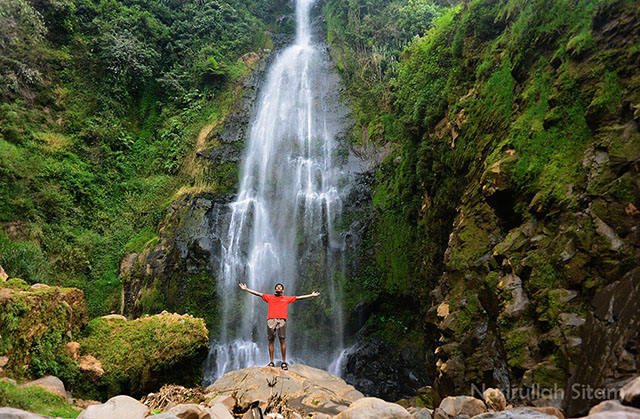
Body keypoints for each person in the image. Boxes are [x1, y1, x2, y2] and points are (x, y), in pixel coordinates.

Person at [238, 282, 319, 370]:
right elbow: (258, 293)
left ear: (283, 290)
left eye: (280, 287)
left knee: (282, 340)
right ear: (275, 290)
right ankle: (271, 362)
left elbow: (299, 297)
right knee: (271, 341)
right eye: (277, 287)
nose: (278, 288)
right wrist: (246, 289)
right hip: (271, 320)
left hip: (282, 320)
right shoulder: (269, 297)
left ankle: (284, 362)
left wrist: (311, 295)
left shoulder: (286, 298)